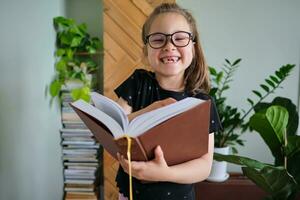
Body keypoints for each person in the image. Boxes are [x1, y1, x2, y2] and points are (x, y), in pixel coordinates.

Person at [114, 3, 222, 200]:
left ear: (194, 48)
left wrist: (163, 174)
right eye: (158, 39)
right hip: (130, 194)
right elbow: (115, 129)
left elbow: (204, 166)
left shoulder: (201, 102)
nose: (169, 46)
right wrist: (152, 110)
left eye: (180, 38)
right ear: (146, 50)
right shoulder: (137, 83)